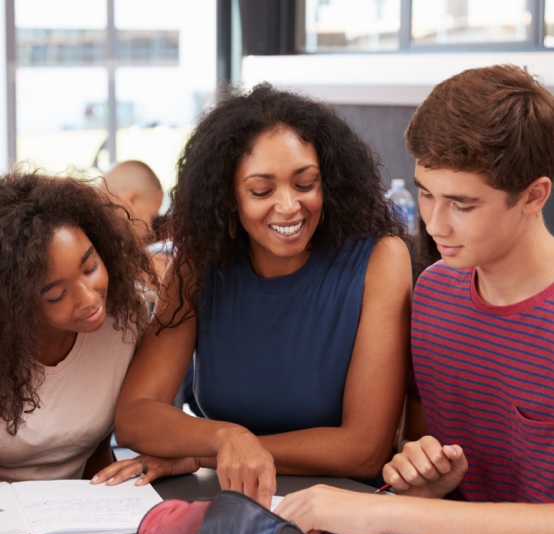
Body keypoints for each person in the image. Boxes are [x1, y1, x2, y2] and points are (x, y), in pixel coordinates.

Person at [274, 64, 554, 534]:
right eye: (426, 192)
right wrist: (424, 476)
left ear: (534, 195)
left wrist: (385, 514)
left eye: (462, 204)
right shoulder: (434, 293)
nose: (433, 222)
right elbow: (429, 452)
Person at [98, 83, 413, 508]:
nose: (289, 207)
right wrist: (226, 439)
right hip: (229, 502)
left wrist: (206, 450)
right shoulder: (199, 264)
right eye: (262, 191)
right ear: (228, 197)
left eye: (306, 184)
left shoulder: (380, 260)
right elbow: (135, 414)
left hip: (345, 511)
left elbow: (363, 450)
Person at [0, 168, 166, 482]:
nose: (89, 299)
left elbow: (98, 448)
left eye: (90, 267)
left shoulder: (125, 319)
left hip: (82, 509)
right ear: (15, 306)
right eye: (57, 293)